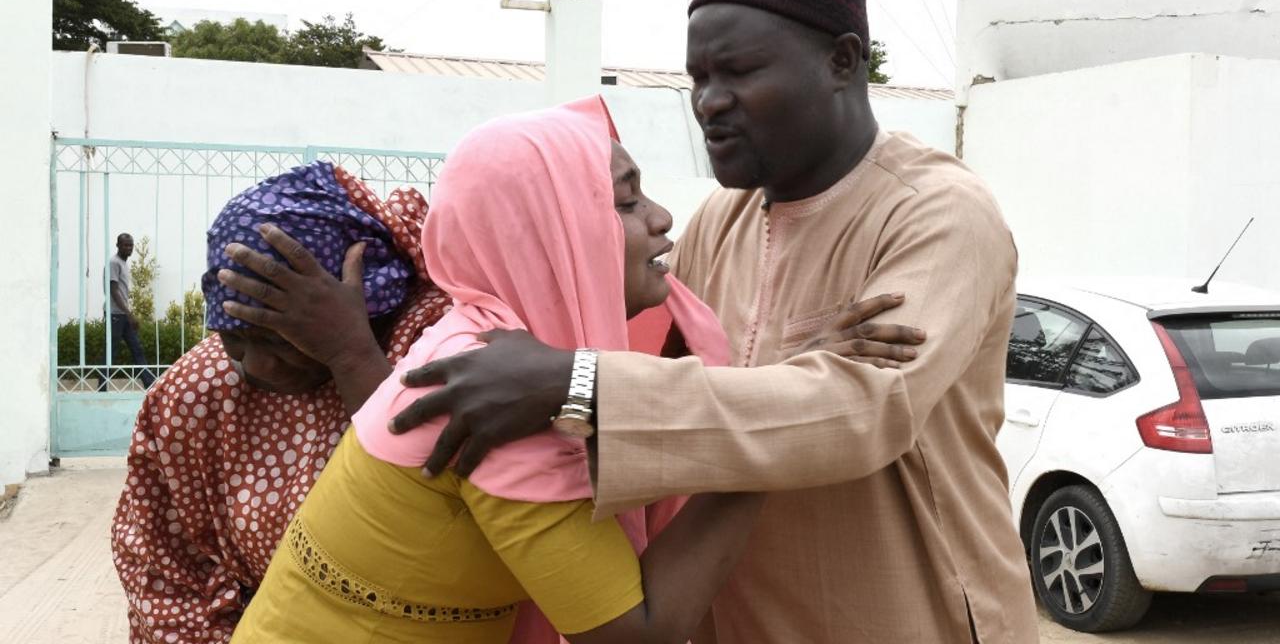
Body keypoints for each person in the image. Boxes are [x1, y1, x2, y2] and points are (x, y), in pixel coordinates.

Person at [385, 0, 1040, 642]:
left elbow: (860, 411)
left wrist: (578, 385)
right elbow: (662, 379)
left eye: (739, 71)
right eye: (699, 77)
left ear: (842, 62)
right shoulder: (719, 221)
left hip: (910, 616)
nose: (709, 102)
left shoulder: (937, 216)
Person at [228, 97, 907, 644]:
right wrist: (771, 439)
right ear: (554, 229)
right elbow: (639, 634)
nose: (664, 218)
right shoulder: (500, 397)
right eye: (627, 200)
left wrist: (776, 385)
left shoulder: (484, 344)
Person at [111, 161, 451, 643]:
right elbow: (160, 570)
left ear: (369, 309)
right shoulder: (197, 391)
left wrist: (350, 355)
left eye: (282, 338)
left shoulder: (431, 346)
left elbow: (447, 509)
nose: (257, 367)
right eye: (237, 337)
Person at [102, 232, 156, 389]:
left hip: (123, 315)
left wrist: (127, 314)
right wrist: (129, 314)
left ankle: (149, 384)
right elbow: (113, 290)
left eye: (131, 245)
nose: (129, 248)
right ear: (118, 245)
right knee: (110, 351)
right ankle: (102, 388)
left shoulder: (123, 263)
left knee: (136, 348)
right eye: (125, 245)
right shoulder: (114, 262)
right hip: (115, 315)